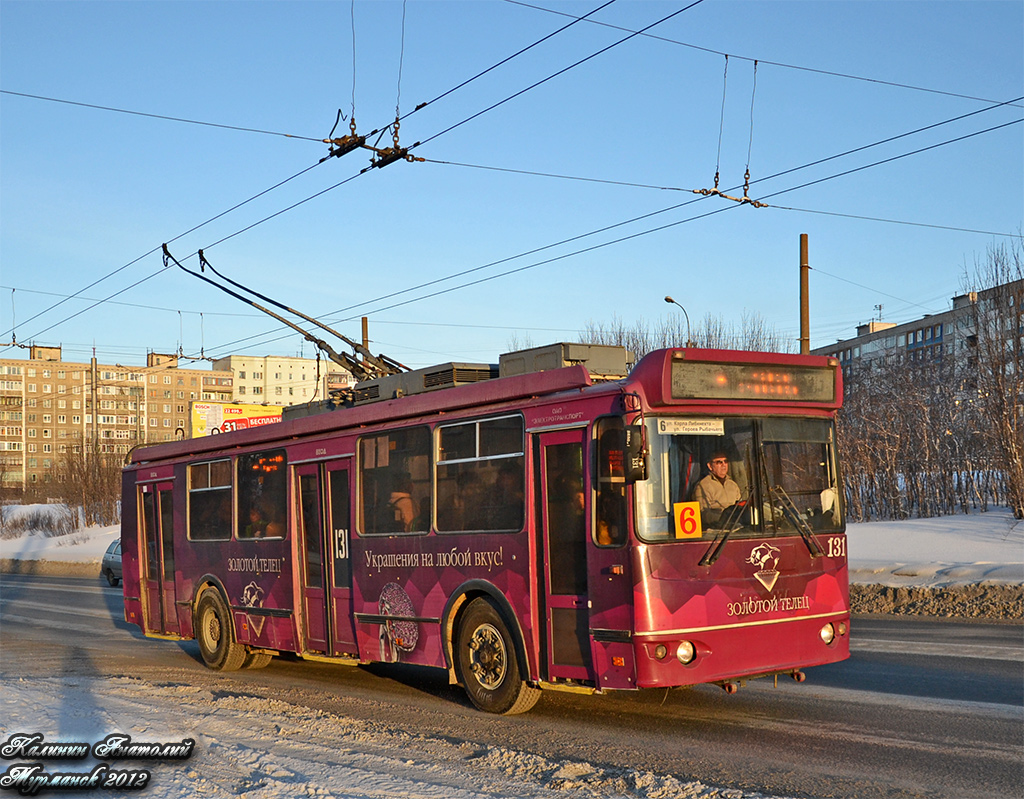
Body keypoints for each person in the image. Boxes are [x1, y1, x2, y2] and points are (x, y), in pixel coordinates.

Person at [692, 451, 741, 523]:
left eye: (726, 461)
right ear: (710, 466)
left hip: (736, 527)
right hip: (716, 529)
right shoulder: (703, 486)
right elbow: (703, 514)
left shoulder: (733, 485)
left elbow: (740, 506)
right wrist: (723, 518)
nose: (724, 465)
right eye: (719, 462)